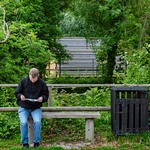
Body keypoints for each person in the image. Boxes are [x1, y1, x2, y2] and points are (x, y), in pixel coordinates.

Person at [14, 68, 49, 148]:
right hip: (24, 107)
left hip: (36, 108)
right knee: (23, 122)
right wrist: (20, 96)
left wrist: (42, 98)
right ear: (29, 75)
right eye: (31, 78)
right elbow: (17, 92)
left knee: (37, 122)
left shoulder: (42, 84)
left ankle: (36, 142)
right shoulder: (23, 81)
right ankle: (25, 143)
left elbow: (46, 95)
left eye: (34, 78)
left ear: (38, 76)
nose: (33, 80)